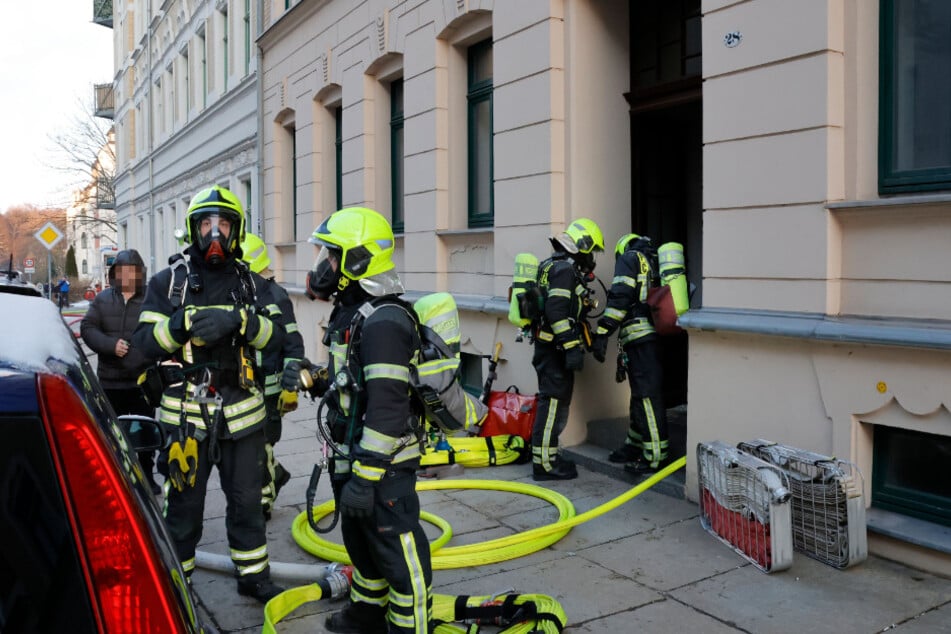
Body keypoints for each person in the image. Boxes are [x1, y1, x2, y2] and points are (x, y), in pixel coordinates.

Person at [132, 185, 284, 603]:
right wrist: (178, 326)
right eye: (205, 224)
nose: (214, 234)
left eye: (223, 225)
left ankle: (253, 576)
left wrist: (240, 322)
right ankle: (174, 581)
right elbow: (142, 346)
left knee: (248, 504)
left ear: (237, 231)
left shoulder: (253, 286)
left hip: (244, 416)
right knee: (182, 507)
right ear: (192, 230)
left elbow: (279, 339)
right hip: (186, 421)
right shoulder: (169, 284)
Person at [305, 207, 431, 634]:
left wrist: (366, 477)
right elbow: (352, 380)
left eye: (333, 256)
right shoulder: (355, 313)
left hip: (383, 465)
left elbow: (388, 409)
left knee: (397, 551)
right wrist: (314, 377)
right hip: (352, 452)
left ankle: (410, 626)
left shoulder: (385, 322)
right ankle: (366, 614)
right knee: (362, 547)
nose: (325, 266)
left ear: (358, 261)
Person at [80, 249, 161, 494]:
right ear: (114, 274)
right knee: (110, 435)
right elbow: (88, 328)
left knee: (145, 433)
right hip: (110, 384)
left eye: (131, 271)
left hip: (142, 385)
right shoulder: (103, 299)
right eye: (121, 271)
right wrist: (110, 346)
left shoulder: (152, 300)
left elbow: (161, 335)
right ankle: (112, 479)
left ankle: (146, 476)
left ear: (140, 273)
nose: (126, 276)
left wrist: (139, 356)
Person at [530, 218, 604, 481]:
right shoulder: (563, 270)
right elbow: (557, 313)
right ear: (581, 246)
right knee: (552, 404)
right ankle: (544, 465)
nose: (591, 258)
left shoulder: (551, 266)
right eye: (591, 251)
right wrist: (572, 348)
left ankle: (548, 456)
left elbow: (573, 313)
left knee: (554, 402)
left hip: (548, 347)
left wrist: (591, 341)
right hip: (554, 350)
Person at [590, 233, 670, 475]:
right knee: (639, 395)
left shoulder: (628, 258)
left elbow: (621, 297)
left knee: (646, 396)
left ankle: (655, 456)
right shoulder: (651, 260)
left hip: (639, 336)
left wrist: (603, 331)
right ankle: (634, 444)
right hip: (650, 337)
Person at [239, 232, 306, 520]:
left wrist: (290, 380)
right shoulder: (242, 292)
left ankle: (263, 503)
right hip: (244, 387)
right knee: (250, 447)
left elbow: (293, 342)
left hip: (268, 390)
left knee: (260, 445)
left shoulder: (275, 296)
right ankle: (275, 476)